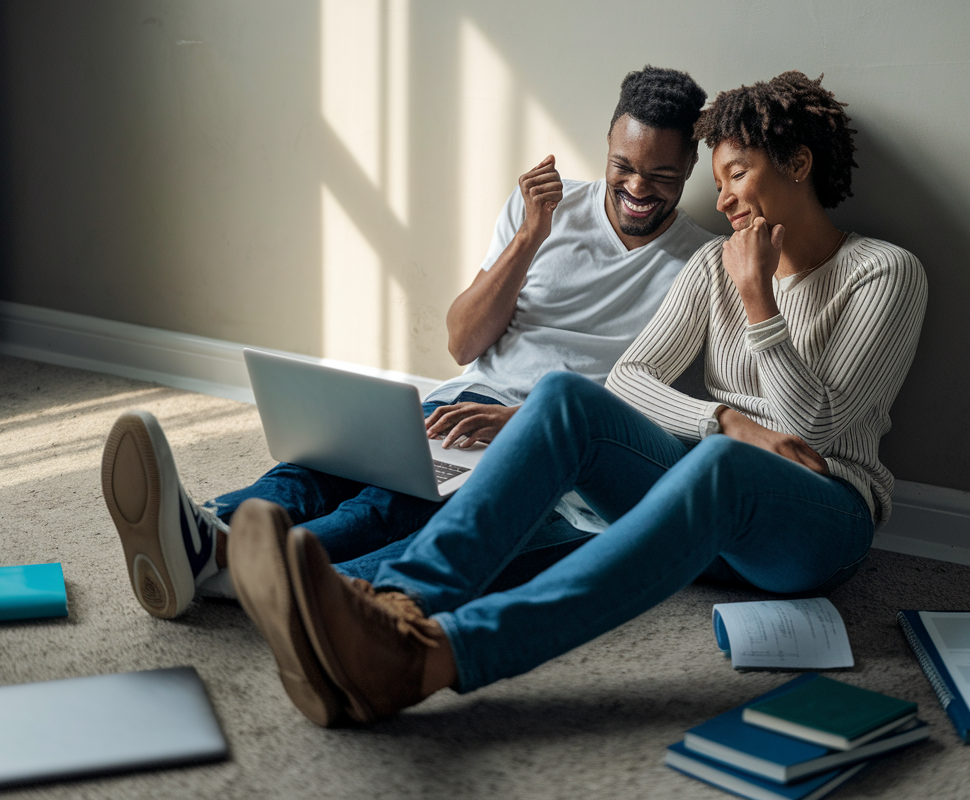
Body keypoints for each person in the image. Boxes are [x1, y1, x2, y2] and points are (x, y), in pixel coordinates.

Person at [228, 70, 929, 728]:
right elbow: (629, 379)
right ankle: (397, 608)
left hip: (818, 514)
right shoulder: (718, 261)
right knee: (565, 398)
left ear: (798, 165)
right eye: (716, 184)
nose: (721, 203)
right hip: (715, 491)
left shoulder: (884, 272)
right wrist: (727, 419)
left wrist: (759, 301)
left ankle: (435, 659)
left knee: (718, 466)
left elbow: (817, 427)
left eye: (734, 175)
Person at [100, 66, 714, 621]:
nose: (637, 187)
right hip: (466, 398)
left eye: (661, 175)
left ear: (690, 167)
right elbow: (462, 339)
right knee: (320, 467)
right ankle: (201, 529)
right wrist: (530, 237)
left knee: (383, 507)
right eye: (623, 167)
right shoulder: (546, 208)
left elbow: (646, 406)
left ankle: (230, 564)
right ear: (607, 147)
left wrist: (526, 421)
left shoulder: (700, 266)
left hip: (549, 440)